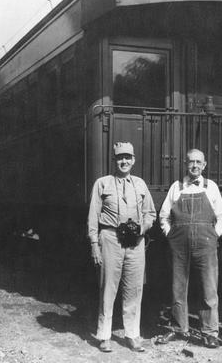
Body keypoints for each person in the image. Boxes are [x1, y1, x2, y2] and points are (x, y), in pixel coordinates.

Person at [87, 142, 157, 353]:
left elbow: (150, 213)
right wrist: (94, 244)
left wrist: (142, 228)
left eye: (128, 157)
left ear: (134, 160)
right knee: (108, 287)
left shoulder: (140, 184)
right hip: (110, 237)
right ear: (114, 160)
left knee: (134, 288)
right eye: (120, 158)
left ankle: (132, 334)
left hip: (135, 242)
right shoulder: (102, 183)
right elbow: (92, 217)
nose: (124, 161)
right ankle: (104, 335)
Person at [156, 149, 222, 348]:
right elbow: (164, 216)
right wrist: (170, 235)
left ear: (204, 165)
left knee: (209, 288)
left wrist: (215, 234)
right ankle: (178, 328)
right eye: (191, 162)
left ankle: (210, 332)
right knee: (178, 287)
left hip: (206, 243)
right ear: (185, 164)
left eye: (198, 162)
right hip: (179, 244)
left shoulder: (211, 187)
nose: (194, 165)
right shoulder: (176, 187)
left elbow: (221, 216)